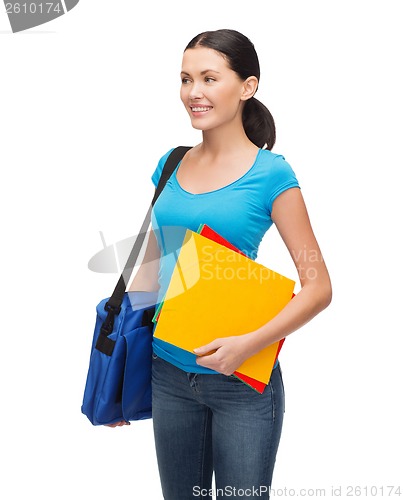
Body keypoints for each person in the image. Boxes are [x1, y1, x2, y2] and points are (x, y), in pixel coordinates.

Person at [112, 29, 332, 500]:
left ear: (247, 86)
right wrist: (123, 371)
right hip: (169, 374)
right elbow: (151, 271)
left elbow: (318, 288)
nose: (194, 93)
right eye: (186, 79)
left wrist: (244, 346)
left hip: (240, 381)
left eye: (210, 78)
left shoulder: (272, 174)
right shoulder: (170, 164)